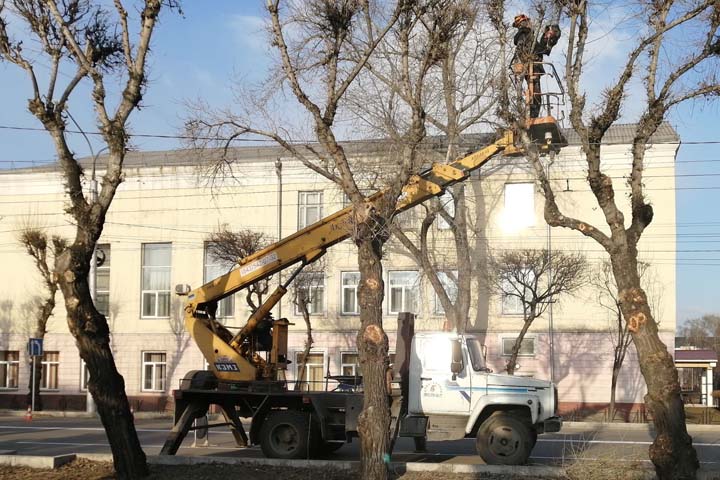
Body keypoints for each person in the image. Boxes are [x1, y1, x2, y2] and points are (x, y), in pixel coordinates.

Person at [512, 14, 561, 118]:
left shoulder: (527, 36)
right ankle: (532, 116)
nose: (530, 23)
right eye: (528, 21)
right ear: (524, 23)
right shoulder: (525, 35)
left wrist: (547, 38)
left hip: (532, 67)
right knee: (535, 94)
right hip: (531, 67)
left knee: (535, 94)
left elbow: (539, 49)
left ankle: (532, 115)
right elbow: (531, 50)